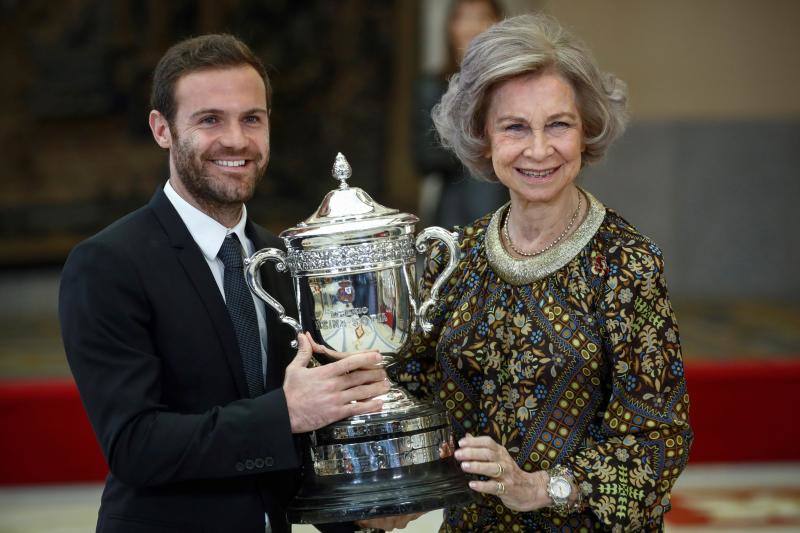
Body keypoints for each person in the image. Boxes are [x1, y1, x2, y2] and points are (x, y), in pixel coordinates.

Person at [59, 34, 389, 533]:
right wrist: (284, 412)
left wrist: (363, 511)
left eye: (251, 119)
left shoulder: (283, 261)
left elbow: (299, 437)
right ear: (162, 129)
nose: (236, 140)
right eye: (210, 119)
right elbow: (134, 445)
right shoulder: (107, 264)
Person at [392, 13, 693, 531]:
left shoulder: (626, 264)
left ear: (586, 131)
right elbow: (413, 389)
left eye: (558, 124)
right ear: (482, 137)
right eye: (514, 126)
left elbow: (657, 441)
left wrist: (539, 487)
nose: (538, 149)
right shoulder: (453, 257)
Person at [413, 0, 506, 229]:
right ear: (450, 27)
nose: (473, 27)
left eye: (482, 17)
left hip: (507, 198)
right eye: (463, 18)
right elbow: (426, 158)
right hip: (455, 204)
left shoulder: (510, 84)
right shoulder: (432, 86)